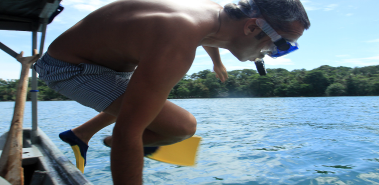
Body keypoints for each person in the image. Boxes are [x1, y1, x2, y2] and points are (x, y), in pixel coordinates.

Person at [34, 0, 310, 184]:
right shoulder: (177, 43)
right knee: (181, 127)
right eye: (282, 46)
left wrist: (217, 61)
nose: (273, 55)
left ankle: (82, 134)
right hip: (70, 67)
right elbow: (128, 130)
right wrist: (125, 140)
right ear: (252, 27)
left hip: (107, 63)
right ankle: (108, 142)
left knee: (153, 95)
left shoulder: (214, 13)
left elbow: (206, 35)